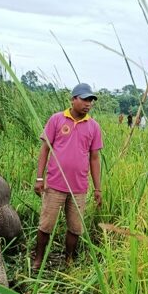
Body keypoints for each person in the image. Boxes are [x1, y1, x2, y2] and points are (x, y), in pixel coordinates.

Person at [32, 83, 103, 270]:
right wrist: (40, 178)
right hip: (55, 184)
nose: (88, 104)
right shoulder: (57, 119)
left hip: (79, 187)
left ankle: (68, 260)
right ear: (73, 99)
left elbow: (94, 158)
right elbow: (45, 149)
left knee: (75, 228)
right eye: (84, 99)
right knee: (46, 225)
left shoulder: (93, 127)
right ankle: (38, 259)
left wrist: (98, 188)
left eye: (91, 100)